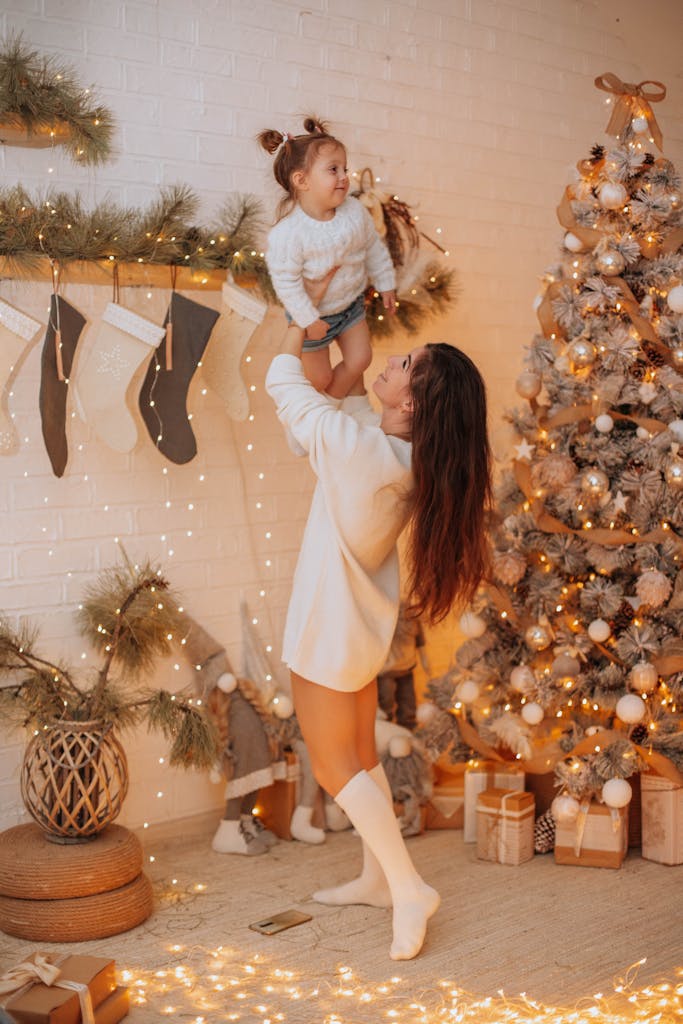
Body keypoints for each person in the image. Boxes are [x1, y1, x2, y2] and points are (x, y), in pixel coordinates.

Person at [265, 271, 492, 961]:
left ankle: (407, 885)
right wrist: (354, 354)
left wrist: (299, 314)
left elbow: (287, 391)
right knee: (361, 754)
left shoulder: (366, 453)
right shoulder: (391, 450)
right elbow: (328, 406)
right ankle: (374, 879)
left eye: (403, 366)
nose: (393, 361)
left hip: (329, 630)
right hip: (356, 628)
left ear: (414, 404)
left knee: (335, 767)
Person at [258, 116, 396, 398]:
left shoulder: (355, 212)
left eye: (344, 168)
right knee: (318, 378)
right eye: (333, 169)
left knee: (361, 360)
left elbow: (372, 247)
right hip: (312, 312)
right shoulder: (289, 233)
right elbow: (287, 283)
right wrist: (308, 319)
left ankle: (332, 410)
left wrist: (385, 282)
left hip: (350, 306)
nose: (344, 177)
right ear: (301, 180)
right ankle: (316, 412)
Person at [377, 602, 430, 731]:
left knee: (408, 703)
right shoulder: (383, 614)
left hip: (407, 667)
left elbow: (420, 642)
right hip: (386, 671)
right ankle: (387, 731)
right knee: (386, 704)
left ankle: (409, 730)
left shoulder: (412, 614)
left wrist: (426, 662)